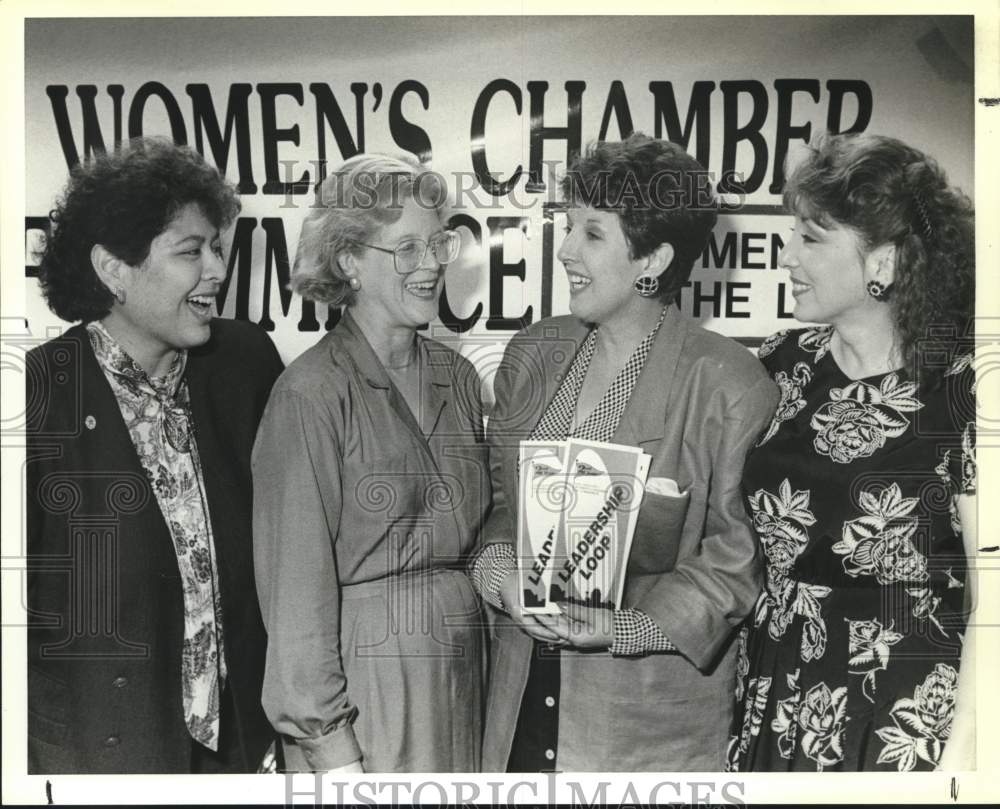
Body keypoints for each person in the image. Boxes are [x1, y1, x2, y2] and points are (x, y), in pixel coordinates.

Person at [470, 133, 779, 771]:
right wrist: (501, 576)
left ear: (653, 259)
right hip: (519, 702)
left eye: (592, 233)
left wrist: (622, 627)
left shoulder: (729, 383)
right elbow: (497, 508)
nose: (565, 250)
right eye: (569, 227)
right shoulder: (534, 353)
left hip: (643, 730)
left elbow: (736, 562)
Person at [26, 138, 283, 773]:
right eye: (191, 251)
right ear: (113, 269)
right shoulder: (37, 398)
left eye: (217, 248)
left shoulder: (245, 363)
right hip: (106, 755)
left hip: (244, 749)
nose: (217, 271)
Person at [726, 132, 977, 772]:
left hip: (902, 710)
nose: (786, 255)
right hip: (775, 688)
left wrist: (962, 760)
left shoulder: (967, 391)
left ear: (882, 262)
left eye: (811, 239)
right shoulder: (781, 363)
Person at [252, 154, 490, 773]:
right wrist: (332, 750)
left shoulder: (459, 377)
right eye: (406, 248)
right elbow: (295, 599)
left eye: (437, 243)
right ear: (348, 261)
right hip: (366, 687)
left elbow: (488, 527)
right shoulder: (310, 394)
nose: (431, 264)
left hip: (465, 672)